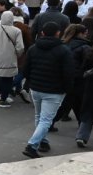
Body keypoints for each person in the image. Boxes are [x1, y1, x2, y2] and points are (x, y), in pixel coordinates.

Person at [19, 23, 74, 159]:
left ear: (42, 33)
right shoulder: (64, 50)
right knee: (46, 120)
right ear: (58, 33)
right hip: (54, 90)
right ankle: (32, 145)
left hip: (35, 88)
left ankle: (42, 141)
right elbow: (68, 73)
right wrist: (68, 89)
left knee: (39, 117)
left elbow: (25, 70)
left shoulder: (33, 48)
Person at [0, 10, 24, 106]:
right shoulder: (17, 31)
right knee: (7, 79)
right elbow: (20, 47)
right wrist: (16, 55)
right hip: (10, 60)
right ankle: (3, 99)